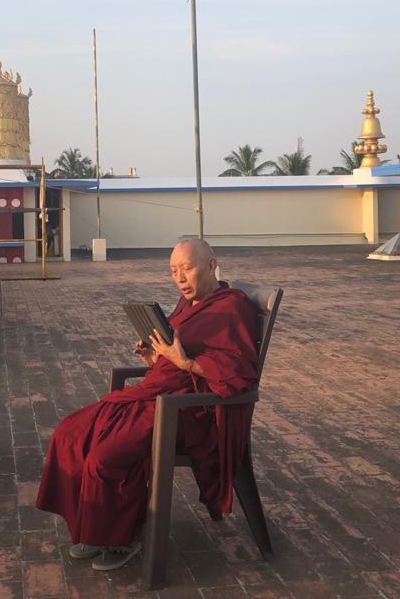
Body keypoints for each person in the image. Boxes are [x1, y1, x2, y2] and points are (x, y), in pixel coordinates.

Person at [36, 238, 260, 571]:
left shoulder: (232, 307)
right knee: (70, 432)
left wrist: (185, 365)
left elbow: (239, 372)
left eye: (187, 268)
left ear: (211, 266)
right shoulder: (188, 303)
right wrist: (156, 357)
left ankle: (122, 538)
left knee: (106, 454)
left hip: (190, 413)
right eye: (173, 271)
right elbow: (178, 355)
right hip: (159, 396)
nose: (180, 279)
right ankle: (91, 527)